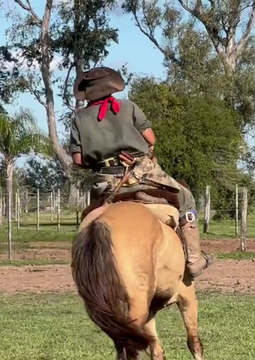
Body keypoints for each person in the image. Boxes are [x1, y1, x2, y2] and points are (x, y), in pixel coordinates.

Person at [68, 66, 215, 278]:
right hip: (143, 171)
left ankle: (82, 265)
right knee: (186, 198)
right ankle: (193, 259)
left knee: (89, 219)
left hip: (105, 181)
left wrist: (102, 160)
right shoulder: (128, 107)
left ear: (87, 91)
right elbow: (151, 139)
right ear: (112, 86)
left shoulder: (79, 119)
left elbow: (78, 160)